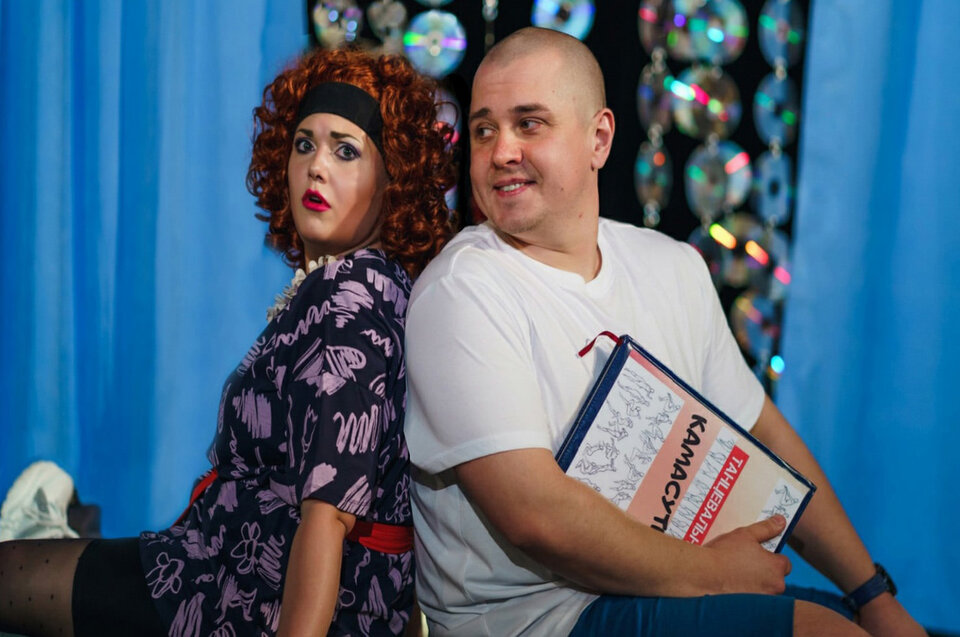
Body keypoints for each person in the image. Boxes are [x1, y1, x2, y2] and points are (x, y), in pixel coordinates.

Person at [403, 27, 927, 637]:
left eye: (530, 124)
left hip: (669, 583)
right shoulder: (461, 290)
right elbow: (534, 515)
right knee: (821, 632)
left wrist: (872, 594)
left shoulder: (671, 265)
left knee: (860, 625)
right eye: (483, 130)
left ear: (599, 138)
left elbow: (762, 436)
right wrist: (713, 572)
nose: (501, 152)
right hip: (539, 620)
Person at [0, 47, 455, 637]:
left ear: (395, 180)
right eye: (304, 144)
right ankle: (57, 528)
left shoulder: (349, 296)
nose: (316, 167)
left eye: (346, 150)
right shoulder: (370, 282)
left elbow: (329, 517)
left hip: (239, 598)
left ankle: (50, 528)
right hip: (218, 565)